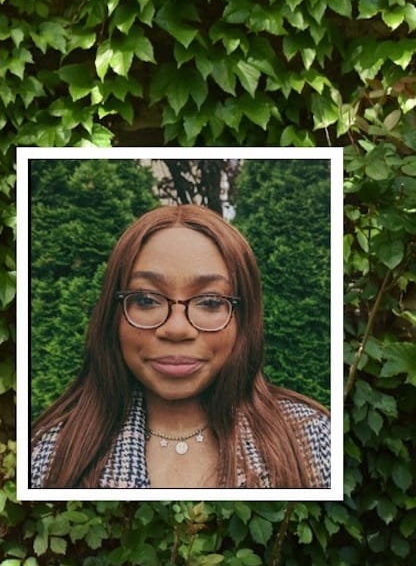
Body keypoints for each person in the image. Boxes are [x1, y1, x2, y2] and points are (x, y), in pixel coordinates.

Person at [29, 204, 330, 489]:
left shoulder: (312, 438)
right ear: (113, 315)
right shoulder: (50, 455)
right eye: (146, 300)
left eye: (210, 302)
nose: (176, 329)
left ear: (244, 319)